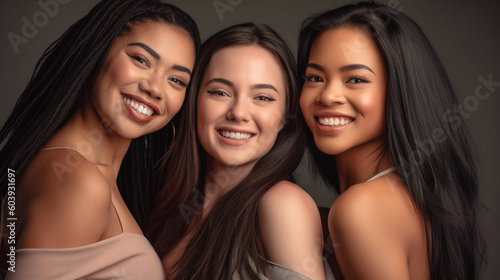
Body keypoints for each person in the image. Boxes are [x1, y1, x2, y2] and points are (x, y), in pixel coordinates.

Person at [0, 0, 200, 278]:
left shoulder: (86, 173)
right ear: (97, 53)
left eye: (177, 80)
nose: (155, 88)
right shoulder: (78, 180)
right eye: (141, 60)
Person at [298, 1, 485, 280]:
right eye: (315, 77)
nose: (327, 96)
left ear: (400, 90)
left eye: (356, 80)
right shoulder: (410, 198)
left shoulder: (361, 210)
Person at [146, 23, 333, 279]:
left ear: (283, 118)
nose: (238, 113)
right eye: (220, 92)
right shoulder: (171, 200)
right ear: (194, 102)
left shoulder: (283, 204)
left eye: (263, 98)